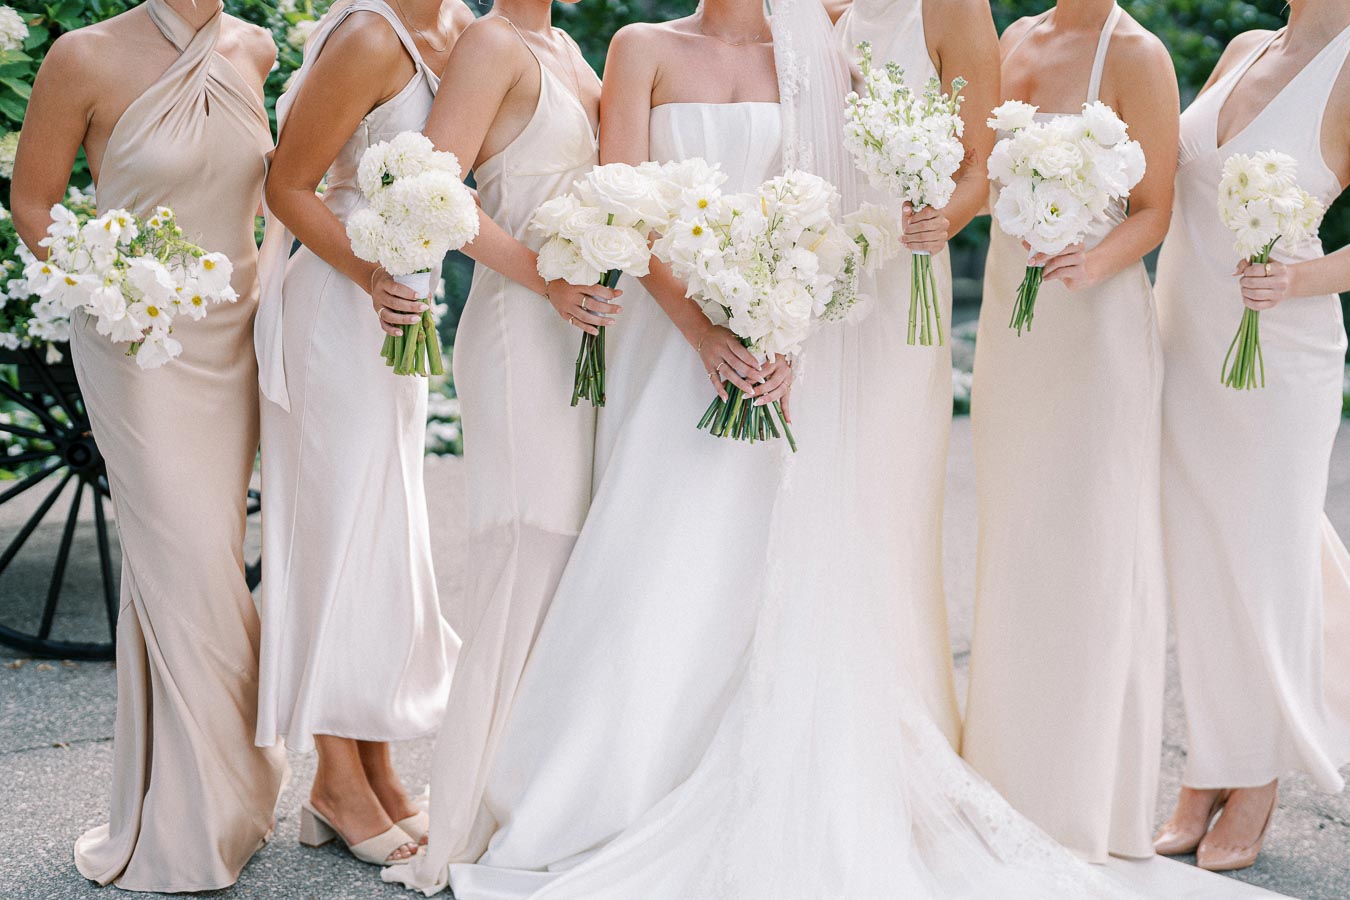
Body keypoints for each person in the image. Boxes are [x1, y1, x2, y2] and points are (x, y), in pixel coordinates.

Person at [387, 2, 1145, 897]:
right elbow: (628, 212)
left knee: (761, 560)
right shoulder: (639, 48)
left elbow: (830, 214)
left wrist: (784, 331)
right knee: (653, 548)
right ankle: (609, 786)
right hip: (667, 345)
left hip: (778, 346)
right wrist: (705, 332)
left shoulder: (825, 59)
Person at [10, 0, 287, 890]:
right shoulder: (82, 56)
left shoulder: (255, 48)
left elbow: (264, 199)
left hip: (232, 331)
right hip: (133, 342)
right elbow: (33, 201)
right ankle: (200, 808)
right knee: (182, 558)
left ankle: (213, 787)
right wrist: (103, 288)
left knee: (209, 555)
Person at [381, 0, 625, 880]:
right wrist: (547, 279)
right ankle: (470, 810)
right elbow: (431, 194)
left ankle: (538, 793)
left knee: (564, 563)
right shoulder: (490, 42)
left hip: (579, 328)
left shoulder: (566, 47)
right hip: (522, 327)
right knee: (526, 551)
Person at [254, 0, 472, 866]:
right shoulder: (370, 35)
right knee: (333, 538)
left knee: (382, 541)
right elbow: (286, 187)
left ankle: (377, 769)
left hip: (400, 309)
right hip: (338, 308)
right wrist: (372, 274)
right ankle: (333, 779)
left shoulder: (461, 28)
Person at [962, 0, 1179, 863]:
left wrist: (1089, 261)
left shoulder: (1139, 54)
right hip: (1014, 329)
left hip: (1093, 327)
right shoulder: (1016, 36)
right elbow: (982, 173)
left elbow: (1155, 209)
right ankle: (1005, 778)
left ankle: (1080, 800)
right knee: (1015, 539)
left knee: (1089, 547)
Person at [1152, 0, 1350, 871]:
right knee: (1200, 556)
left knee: (1266, 558)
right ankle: (1209, 765)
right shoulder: (1242, 47)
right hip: (1187, 340)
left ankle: (1259, 773)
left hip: (1281, 354)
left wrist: (1301, 279)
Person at [825, 0, 1001, 749]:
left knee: (886, 487)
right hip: (805, 272)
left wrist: (944, 219)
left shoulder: (950, 7)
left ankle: (890, 714)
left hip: (903, 282)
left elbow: (982, 163)